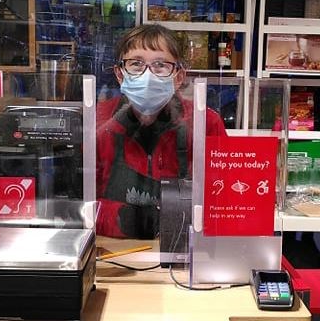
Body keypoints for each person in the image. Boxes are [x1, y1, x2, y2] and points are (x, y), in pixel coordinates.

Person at [96, 23, 226, 239]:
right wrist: (124, 219)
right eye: (136, 64)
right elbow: (77, 204)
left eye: (160, 65)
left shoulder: (206, 123)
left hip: (184, 250)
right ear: (120, 75)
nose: (148, 75)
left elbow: (224, 201)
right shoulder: (99, 122)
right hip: (113, 252)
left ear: (178, 76)